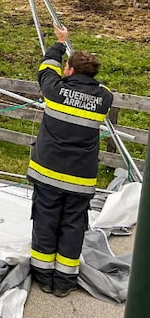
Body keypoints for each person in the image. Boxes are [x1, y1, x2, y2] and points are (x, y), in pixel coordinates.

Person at [28, 23, 113, 297]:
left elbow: (46, 67)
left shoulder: (54, 90)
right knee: (73, 227)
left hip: (48, 173)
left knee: (46, 221)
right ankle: (64, 282)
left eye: (67, 67)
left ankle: (43, 276)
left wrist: (60, 42)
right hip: (80, 179)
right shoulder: (103, 98)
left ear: (70, 71)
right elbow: (101, 87)